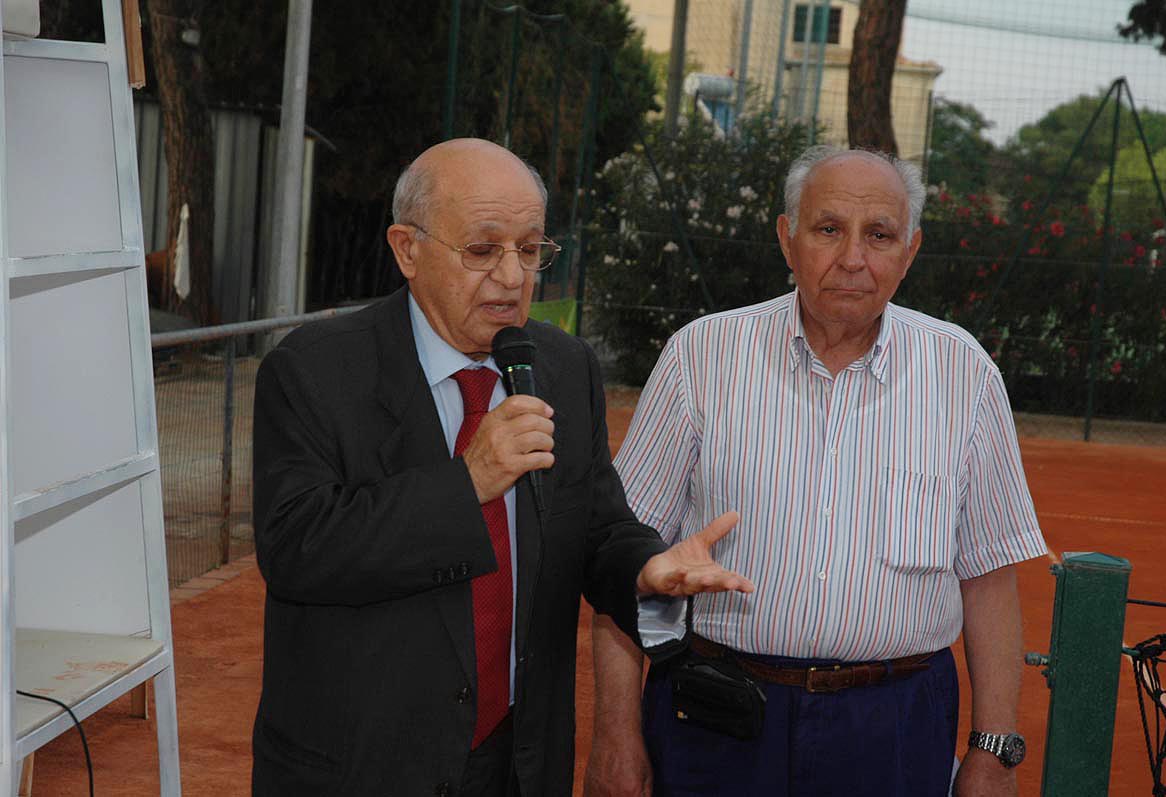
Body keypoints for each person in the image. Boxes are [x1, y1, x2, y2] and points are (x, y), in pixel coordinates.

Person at [251, 138, 752, 797]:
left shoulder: (563, 367)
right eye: (483, 250)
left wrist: (645, 569)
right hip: (364, 765)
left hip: (519, 764)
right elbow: (297, 548)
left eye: (530, 248)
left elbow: (597, 525)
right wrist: (468, 483)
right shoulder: (314, 370)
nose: (513, 277)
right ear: (407, 249)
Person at [585, 145, 1047, 797]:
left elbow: (989, 578)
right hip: (715, 720)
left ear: (910, 251)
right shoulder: (701, 357)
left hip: (895, 728)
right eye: (828, 228)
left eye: (879, 235)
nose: (853, 258)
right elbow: (625, 558)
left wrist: (995, 753)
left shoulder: (963, 374)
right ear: (787, 238)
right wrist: (614, 735)